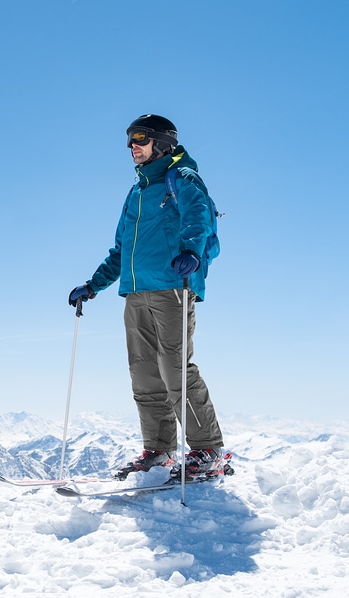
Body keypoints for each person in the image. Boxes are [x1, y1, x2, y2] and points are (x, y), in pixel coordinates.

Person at [68, 114, 226, 481]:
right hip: (135, 292)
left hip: (173, 286)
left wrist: (192, 251)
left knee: (175, 368)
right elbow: (121, 250)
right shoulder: (137, 192)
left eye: (140, 138)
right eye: (129, 140)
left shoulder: (181, 178)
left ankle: (209, 450)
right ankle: (159, 450)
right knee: (143, 374)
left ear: (163, 142)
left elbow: (198, 218)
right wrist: (94, 285)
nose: (132, 146)